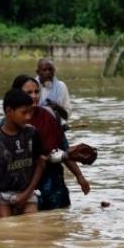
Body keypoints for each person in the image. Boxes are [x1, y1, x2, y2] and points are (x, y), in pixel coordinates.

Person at [12, 75, 91, 210]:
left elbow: (62, 148)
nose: (35, 96)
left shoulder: (50, 115)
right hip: (24, 186)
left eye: (37, 92)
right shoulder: (11, 122)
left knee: (58, 222)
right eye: (29, 93)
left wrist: (79, 176)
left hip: (54, 185)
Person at [0, 89, 47, 219]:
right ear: (9, 111)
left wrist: (27, 194)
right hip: (2, 197)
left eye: (30, 113)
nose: (28, 117)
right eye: (24, 113)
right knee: (6, 229)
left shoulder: (32, 133)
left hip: (28, 194)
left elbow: (40, 164)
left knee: (33, 225)